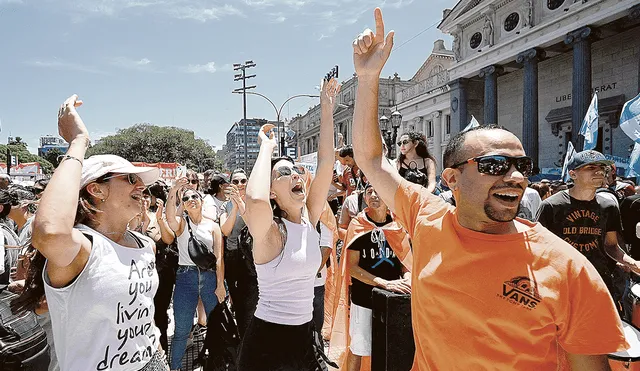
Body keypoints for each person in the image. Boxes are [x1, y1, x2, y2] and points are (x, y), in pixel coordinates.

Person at [350, 9, 626, 369]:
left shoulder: (569, 269)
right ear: (452, 179)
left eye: (521, 166)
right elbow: (371, 159)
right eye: (494, 165)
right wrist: (368, 78)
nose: (514, 176)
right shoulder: (426, 217)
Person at [33, 95, 169, 370]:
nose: (141, 187)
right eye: (130, 179)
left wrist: (155, 348)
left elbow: (141, 309)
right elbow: (48, 231)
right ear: (97, 189)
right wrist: (78, 141)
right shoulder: (82, 249)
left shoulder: (145, 245)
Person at [237, 77, 339, 371]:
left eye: (295, 170)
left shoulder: (309, 216)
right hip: (268, 344)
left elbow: (325, 163)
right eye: (285, 174)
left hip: (304, 337)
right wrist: (267, 148)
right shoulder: (270, 232)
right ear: (272, 191)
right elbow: (255, 200)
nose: (296, 174)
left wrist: (326, 109)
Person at [536, 151, 640, 314]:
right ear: (573, 174)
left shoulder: (609, 207)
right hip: (561, 284)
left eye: (601, 168)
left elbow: (611, 245)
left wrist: (632, 263)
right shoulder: (551, 206)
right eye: (590, 167)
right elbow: (537, 248)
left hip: (598, 280)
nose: (599, 172)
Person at [342, 184, 412, 371]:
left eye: (378, 191)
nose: (374, 195)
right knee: (358, 347)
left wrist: (407, 278)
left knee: (390, 347)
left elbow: (405, 263)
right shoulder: (358, 225)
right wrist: (381, 282)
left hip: (393, 300)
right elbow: (352, 267)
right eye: (369, 191)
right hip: (364, 298)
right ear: (365, 197)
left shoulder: (397, 225)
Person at [165, 179, 225, 371]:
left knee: (216, 326)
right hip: (186, 277)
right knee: (182, 330)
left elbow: (219, 258)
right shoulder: (182, 224)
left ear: (201, 200)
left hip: (209, 277)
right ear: (182, 204)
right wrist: (173, 191)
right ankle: (175, 367)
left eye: (194, 196)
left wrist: (220, 284)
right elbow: (170, 219)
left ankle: (216, 364)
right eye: (186, 198)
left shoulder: (213, 226)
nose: (191, 199)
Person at [220, 168, 259, 338]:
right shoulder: (225, 205)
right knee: (238, 300)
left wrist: (242, 204)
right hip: (233, 255)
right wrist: (234, 207)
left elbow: (255, 226)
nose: (240, 185)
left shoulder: (255, 202)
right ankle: (243, 339)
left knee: (252, 300)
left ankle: (249, 338)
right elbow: (226, 230)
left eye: (243, 181)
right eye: (236, 181)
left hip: (252, 257)